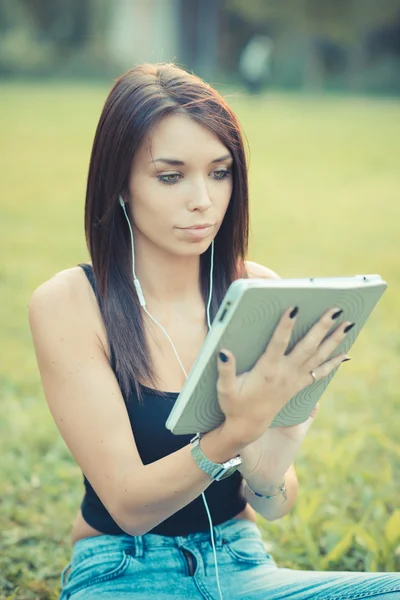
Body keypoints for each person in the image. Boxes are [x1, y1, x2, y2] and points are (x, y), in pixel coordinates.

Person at [28, 63, 400, 600]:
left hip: (241, 561)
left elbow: (274, 506)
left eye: (220, 172)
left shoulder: (258, 291)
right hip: (123, 572)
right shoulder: (69, 303)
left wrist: (269, 462)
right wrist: (233, 432)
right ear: (120, 185)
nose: (202, 199)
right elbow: (129, 507)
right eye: (171, 176)